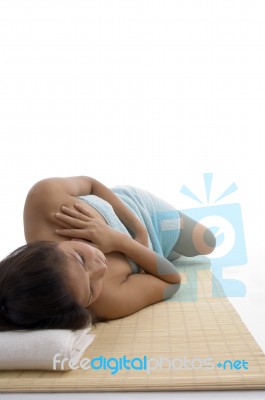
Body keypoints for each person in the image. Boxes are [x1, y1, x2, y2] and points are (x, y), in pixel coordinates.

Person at [0, 176, 216, 331]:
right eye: (92, 290)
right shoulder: (105, 302)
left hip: (137, 207)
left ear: (47, 247)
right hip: (155, 253)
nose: (100, 267)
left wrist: (139, 229)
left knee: (207, 242)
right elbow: (171, 281)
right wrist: (121, 241)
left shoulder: (44, 200)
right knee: (190, 249)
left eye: (81, 259)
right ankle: (167, 251)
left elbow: (92, 185)